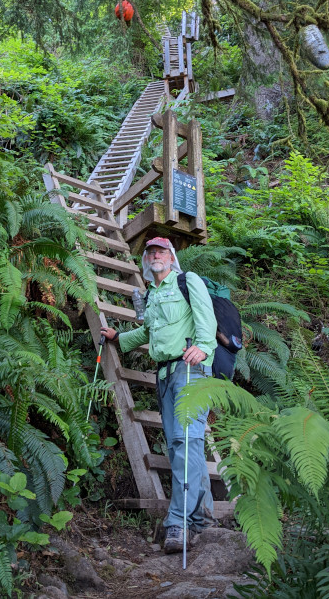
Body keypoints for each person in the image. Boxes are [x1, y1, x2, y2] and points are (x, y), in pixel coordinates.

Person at [101, 236, 217, 554]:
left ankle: (179, 523)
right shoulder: (152, 294)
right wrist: (118, 337)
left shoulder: (187, 280)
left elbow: (207, 317)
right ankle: (204, 518)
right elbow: (150, 331)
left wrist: (204, 347)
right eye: (150, 251)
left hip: (190, 370)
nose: (155, 255)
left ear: (171, 256)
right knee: (184, 445)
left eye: (161, 251)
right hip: (165, 375)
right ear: (146, 260)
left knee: (185, 443)